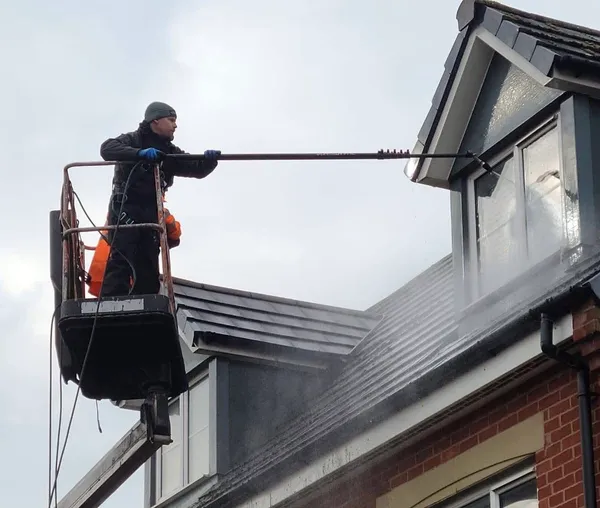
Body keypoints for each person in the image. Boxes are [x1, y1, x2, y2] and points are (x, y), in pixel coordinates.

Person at [99, 101, 220, 297]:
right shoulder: (132, 139)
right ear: (156, 120)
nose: (175, 125)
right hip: (125, 208)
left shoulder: (168, 152)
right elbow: (107, 149)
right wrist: (138, 154)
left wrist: (209, 162)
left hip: (150, 210)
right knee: (122, 256)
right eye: (171, 120)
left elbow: (195, 168)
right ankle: (110, 303)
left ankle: (145, 304)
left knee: (149, 260)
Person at [86, 206, 182, 297]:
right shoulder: (153, 210)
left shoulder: (117, 207)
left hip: (104, 274)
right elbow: (174, 236)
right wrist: (165, 217)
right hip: (122, 276)